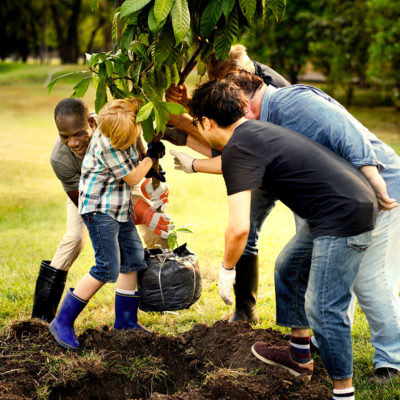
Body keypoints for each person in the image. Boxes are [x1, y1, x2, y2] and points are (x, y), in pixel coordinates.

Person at [171, 70, 400, 384]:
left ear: (247, 100)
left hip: (376, 189)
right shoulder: (256, 127)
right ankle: (302, 351)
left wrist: (226, 271)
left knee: (353, 289)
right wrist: (193, 160)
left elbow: (347, 131)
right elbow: (233, 157)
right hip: (332, 203)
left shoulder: (292, 103)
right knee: (290, 266)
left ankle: (384, 365)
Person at [166, 44, 291, 323]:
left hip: (290, 168)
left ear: (239, 73)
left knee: (292, 247)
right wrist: (188, 107)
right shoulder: (239, 80)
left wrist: (183, 123)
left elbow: (236, 148)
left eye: (225, 83)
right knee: (248, 229)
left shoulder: (267, 92)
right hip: (262, 159)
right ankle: (245, 311)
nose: (224, 88)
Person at [32, 98, 173, 323]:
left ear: (91, 122)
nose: (73, 142)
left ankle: (159, 295)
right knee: (75, 239)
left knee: (146, 237)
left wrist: (151, 178)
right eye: (64, 137)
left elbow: (135, 153)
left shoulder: (113, 123)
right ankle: (43, 315)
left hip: (121, 183)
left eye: (78, 134)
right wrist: (132, 217)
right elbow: (86, 203)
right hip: (90, 197)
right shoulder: (61, 158)